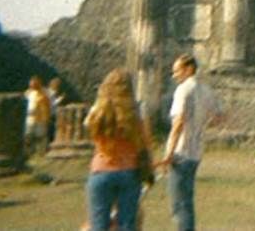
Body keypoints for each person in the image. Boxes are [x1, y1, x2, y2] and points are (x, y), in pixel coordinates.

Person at [157, 54, 223, 231]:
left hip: (181, 152)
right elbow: (218, 117)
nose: (174, 76)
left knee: (179, 205)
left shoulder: (182, 90)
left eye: (177, 71)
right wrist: (201, 126)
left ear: (189, 69)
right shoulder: (206, 90)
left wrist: (169, 153)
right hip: (196, 151)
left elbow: (178, 123)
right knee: (186, 201)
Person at [84, 69, 153, 231]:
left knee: (98, 225)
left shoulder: (98, 110)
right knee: (127, 224)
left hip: (101, 169)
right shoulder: (137, 111)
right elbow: (146, 141)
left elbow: (89, 129)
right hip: (129, 170)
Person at [23, 75, 51, 156]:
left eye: (34, 83)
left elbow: (46, 106)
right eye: (31, 84)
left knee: (40, 135)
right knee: (28, 135)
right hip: (30, 118)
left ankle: (41, 152)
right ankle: (29, 152)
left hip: (40, 118)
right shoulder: (28, 93)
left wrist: (46, 117)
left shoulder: (43, 94)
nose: (32, 85)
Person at [47, 76, 65, 146]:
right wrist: (60, 99)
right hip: (51, 113)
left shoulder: (50, 92)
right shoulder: (51, 93)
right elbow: (52, 104)